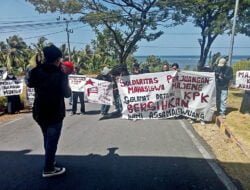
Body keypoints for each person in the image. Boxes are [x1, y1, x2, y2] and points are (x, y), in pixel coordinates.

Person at [28, 44, 71, 177]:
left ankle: (50, 160)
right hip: (55, 113)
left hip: (39, 112)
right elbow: (67, 94)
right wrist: (65, 77)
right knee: (52, 140)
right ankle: (49, 169)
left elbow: (29, 83)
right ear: (57, 60)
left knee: (47, 137)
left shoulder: (35, 71)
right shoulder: (60, 74)